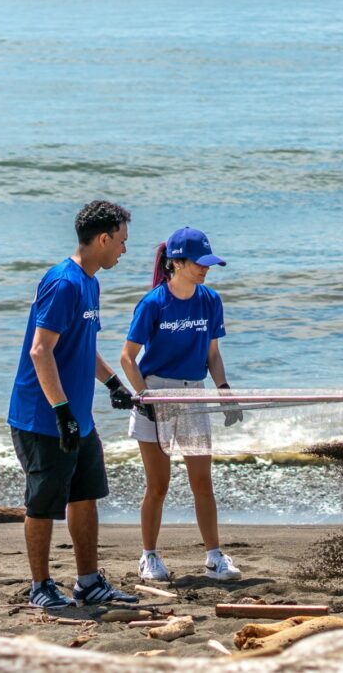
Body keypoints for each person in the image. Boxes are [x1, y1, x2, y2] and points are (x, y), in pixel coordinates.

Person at [8, 200, 140, 609]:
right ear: (103, 238)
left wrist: (114, 384)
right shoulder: (64, 283)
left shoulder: (91, 282)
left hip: (77, 418)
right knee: (43, 504)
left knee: (85, 495)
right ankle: (40, 585)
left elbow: (83, 347)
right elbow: (40, 351)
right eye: (121, 241)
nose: (123, 249)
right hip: (42, 418)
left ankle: (88, 582)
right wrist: (62, 412)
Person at [120, 226, 244, 583]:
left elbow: (213, 354)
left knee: (202, 483)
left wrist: (223, 390)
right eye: (199, 262)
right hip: (156, 393)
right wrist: (145, 398)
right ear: (177, 262)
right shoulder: (153, 303)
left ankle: (214, 557)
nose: (205, 268)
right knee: (158, 484)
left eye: (209, 262)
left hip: (194, 394)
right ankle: (149, 556)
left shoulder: (210, 300)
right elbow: (128, 358)